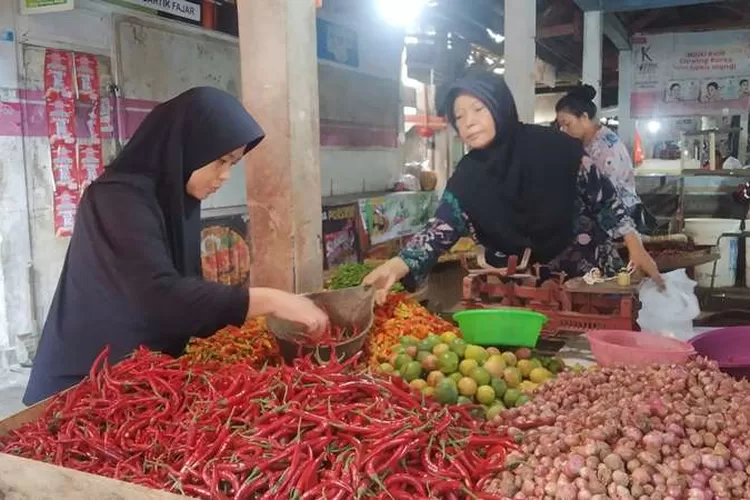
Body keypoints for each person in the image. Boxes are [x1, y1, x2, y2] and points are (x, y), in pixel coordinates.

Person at [23, 87, 329, 405]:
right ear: (187, 148)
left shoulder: (173, 198)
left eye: (233, 164)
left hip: (137, 381)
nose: (224, 176)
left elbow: (179, 292)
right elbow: (160, 299)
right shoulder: (117, 199)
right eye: (221, 161)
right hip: (81, 388)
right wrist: (271, 300)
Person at [363, 71, 662, 302]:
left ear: (499, 106)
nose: (468, 122)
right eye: (459, 116)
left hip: (589, 281)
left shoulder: (557, 148)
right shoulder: (468, 177)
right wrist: (399, 264)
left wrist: (636, 248)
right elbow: (441, 227)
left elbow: (606, 200)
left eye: (478, 109)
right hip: (526, 290)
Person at [555, 84, 655, 233]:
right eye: (560, 126)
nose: (563, 130)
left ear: (584, 117)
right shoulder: (584, 143)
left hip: (619, 222)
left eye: (567, 124)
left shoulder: (605, 149)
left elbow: (604, 197)